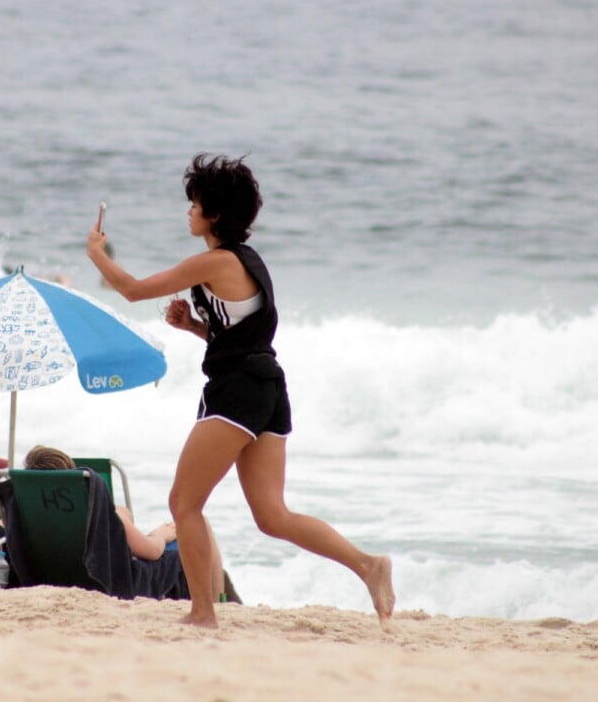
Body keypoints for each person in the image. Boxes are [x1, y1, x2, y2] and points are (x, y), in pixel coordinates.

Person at [87, 153, 396, 629]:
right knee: (273, 516)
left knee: (183, 506)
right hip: (268, 387)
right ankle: (368, 565)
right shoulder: (248, 263)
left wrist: (96, 254)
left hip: (235, 393)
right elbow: (241, 338)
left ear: (214, 214)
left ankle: (203, 613)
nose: (188, 211)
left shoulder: (214, 260)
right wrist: (194, 326)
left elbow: (130, 290)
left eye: (194, 203)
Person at [23, 445, 225, 600]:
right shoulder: (95, 511)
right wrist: (162, 534)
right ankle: (218, 604)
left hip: (52, 578)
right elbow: (152, 551)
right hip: (116, 584)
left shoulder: (24, 512)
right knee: (201, 527)